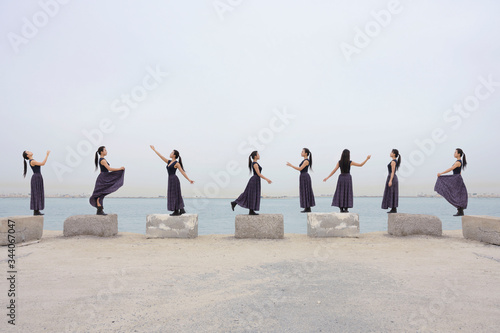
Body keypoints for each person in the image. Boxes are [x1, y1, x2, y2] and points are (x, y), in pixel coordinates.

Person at [150, 146, 194, 216]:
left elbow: (182, 172)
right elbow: (161, 156)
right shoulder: (169, 162)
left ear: (174, 155)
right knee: (172, 195)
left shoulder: (177, 163)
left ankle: (177, 210)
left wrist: (189, 179)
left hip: (174, 179)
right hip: (170, 179)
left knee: (175, 195)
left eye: (171, 152)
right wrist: (154, 150)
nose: (170, 153)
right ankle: (180, 209)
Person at [231, 151, 272, 215]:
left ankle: (251, 211)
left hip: (256, 180)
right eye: (258, 154)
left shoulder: (255, 163)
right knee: (250, 194)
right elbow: (258, 174)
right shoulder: (255, 164)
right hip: (254, 180)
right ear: (255, 156)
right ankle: (235, 203)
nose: (259, 155)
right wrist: (267, 179)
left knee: (251, 195)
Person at [89, 146, 125, 215]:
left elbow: (101, 171)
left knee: (102, 193)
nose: (106, 151)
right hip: (104, 177)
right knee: (101, 193)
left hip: (103, 177)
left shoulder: (101, 159)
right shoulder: (103, 160)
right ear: (101, 152)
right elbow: (109, 169)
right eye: (105, 150)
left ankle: (99, 210)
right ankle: (99, 210)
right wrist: (120, 169)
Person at [434, 148, 468, 216]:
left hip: (456, 178)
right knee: (455, 194)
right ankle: (460, 211)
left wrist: (441, 173)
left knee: (455, 194)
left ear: (459, 154)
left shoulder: (458, 162)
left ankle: (460, 211)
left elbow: (450, 169)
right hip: (457, 178)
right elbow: (459, 172)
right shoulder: (458, 162)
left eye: (455, 152)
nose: (454, 153)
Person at [286, 148, 316, 212]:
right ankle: (306, 207)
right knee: (304, 191)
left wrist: (291, 165)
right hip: (303, 176)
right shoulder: (304, 160)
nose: (301, 153)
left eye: (302, 152)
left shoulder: (306, 161)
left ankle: (308, 207)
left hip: (305, 176)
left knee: (306, 191)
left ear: (306, 153)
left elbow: (300, 169)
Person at [22, 150, 50, 215]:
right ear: (27, 155)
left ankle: (37, 211)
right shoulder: (32, 161)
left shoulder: (32, 160)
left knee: (38, 193)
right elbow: (43, 163)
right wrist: (47, 155)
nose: (30, 151)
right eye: (28, 152)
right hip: (36, 177)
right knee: (36, 194)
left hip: (38, 177)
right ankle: (36, 211)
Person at [381, 149, 401, 213]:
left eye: (391, 152)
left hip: (392, 177)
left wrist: (390, 180)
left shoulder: (393, 162)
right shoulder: (394, 161)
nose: (390, 153)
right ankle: (393, 208)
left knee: (392, 192)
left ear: (394, 154)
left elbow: (392, 172)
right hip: (392, 177)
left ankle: (394, 208)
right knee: (392, 193)